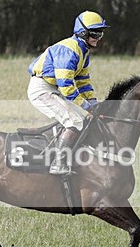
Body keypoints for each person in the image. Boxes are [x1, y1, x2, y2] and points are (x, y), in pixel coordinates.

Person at [27, 10, 110, 175]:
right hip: (41, 89)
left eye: (101, 34)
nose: (98, 38)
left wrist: (94, 104)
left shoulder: (83, 52)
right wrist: (87, 107)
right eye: (95, 34)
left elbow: (83, 82)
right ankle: (58, 164)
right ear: (83, 33)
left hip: (51, 88)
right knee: (74, 121)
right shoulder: (69, 49)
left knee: (77, 119)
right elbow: (66, 86)